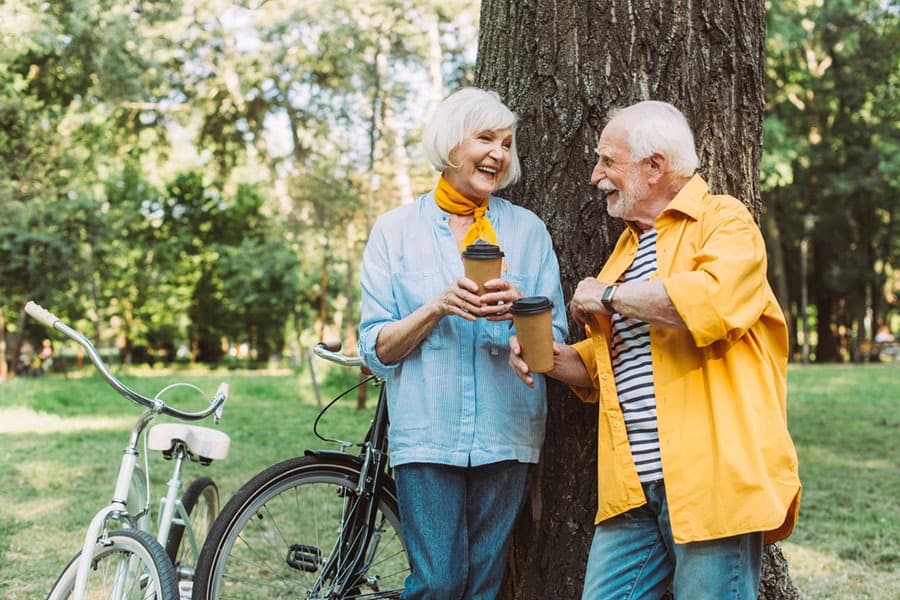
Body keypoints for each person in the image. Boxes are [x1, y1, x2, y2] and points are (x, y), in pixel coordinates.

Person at [509, 100, 801, 599]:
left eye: (607, 161)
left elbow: (711, 300)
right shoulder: (624, 252)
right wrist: (550, 357)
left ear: (654, 167)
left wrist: (606, 295)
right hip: (633, 489)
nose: (596, 175)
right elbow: (610, 365)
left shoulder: (723, 220)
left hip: (711, 480)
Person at [358, 87, 567, 599]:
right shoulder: (395, 231)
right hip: (428, 432)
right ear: (451, 144)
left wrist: (523, 314)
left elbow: (554, 338)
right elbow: (375, 347)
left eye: (507, 144)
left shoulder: (528, 231)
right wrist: (437, 306)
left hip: (507, 428)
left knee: (485, 586)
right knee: (438, 582)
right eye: (486, 139)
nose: (499, 153)